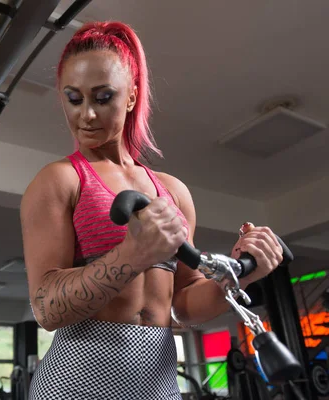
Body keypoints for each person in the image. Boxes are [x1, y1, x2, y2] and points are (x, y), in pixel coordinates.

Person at [20, 21, 284, 399]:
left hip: (158, 381)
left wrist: (242, 273)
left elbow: (183, 306)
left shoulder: (173, 192)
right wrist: (135, 252)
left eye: (102, 96)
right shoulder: (60, 181)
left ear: (130, 97)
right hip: (77, 378)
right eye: (74, 98)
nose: (87, 115)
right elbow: (46, 309)